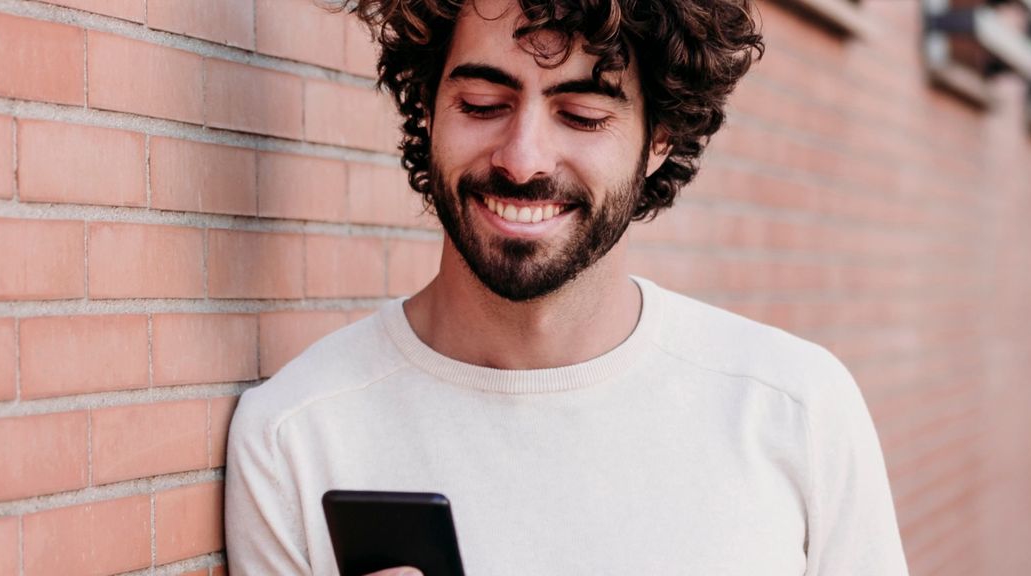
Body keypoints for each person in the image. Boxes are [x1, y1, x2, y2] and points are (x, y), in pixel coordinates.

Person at [222, 0, 909, 574]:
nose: (523, 159)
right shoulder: (296, 437)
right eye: (484, 102)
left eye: (581, 115)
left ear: (661, 136)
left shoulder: (794, 409)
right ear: (429, 108)